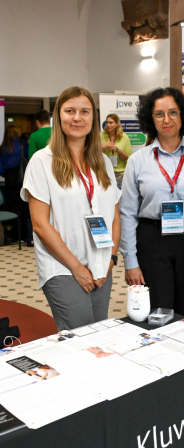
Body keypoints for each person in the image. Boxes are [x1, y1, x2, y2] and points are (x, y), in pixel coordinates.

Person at [21, 86, 121, 331]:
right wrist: (77, 268)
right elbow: (40, 225)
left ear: (92, 118)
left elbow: (115, 217)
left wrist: (111, 259)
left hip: (101, 264)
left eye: (84, 111)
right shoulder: (42, 162)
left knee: (97, 335)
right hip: (63, 267)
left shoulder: (103, 162)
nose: (77, 118)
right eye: (70, 111)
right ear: (58, 117)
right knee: (80, 336)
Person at [119, 87, 184, 316]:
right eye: (159, 114)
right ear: (150, 119)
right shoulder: (137, 161)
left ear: (182, 115)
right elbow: (127, 213)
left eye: (173, 112)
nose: (167, 120)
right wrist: (130, 260)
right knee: (157, 311)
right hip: (152, 240)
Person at [0, 125, 29, 242]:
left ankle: (17, 236)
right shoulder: (23, 144)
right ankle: (27, 235)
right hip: (23, 176)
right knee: (25, 205)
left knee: (13, 206)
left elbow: (0, 169)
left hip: (10, 178)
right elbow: (29, 157)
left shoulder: (3, 148)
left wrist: (7, 174)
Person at [100, 114, 132, 189]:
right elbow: (94, 155)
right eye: (107, 122)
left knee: (122, 197)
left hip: (121, 173)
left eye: (111, 122)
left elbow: (127, 158)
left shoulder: (124, 137)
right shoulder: (100, 136)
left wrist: (117, 150)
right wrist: (102, 148)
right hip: (106, 172)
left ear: (116, 123)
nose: (108, 125)